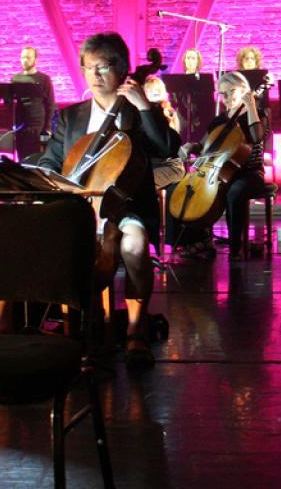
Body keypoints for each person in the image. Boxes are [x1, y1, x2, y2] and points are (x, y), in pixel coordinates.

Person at [38, 32, 180, 368]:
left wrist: (144, 105)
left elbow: (167, 148)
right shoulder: (72, 117)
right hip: (79, 207)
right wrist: (53, 182)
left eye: (103, 67)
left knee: (133, 244)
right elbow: (49, 160)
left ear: (123, 69)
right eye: (90, 68)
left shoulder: (137, 113)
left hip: (126, 205)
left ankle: (135, 329)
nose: (96, 76)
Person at [169, 71, 269, 260]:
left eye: (230, 92)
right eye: (222, 94)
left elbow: (257, 137)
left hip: (249, 173)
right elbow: (205, 146)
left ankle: (236, 247)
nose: (225, 98)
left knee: (234, 192)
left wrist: (251, 106)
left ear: (243, 90)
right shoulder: (220, 121)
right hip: (220, 172)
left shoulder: (257, 114)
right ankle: (199, 240)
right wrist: (192, 145)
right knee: (184, 189)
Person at [9, 45, 55, 160]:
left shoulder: (44, 79)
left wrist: (47, 128)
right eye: (23, 57)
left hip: (38, 125)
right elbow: (10, 103)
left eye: (28, 57)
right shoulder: (15, 79)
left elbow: (50, 104)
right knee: (22, 159)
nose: (25, 60)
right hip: (20, 126)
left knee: (37, 159)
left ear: (36, 60)